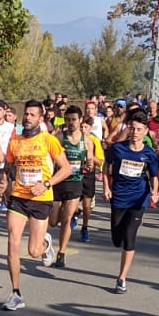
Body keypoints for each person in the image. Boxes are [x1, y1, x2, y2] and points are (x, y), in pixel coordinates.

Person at [0, 99, 72, 311]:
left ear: (40, 119)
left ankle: (45, 245)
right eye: (26, 114)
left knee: (33, 251)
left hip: (41, 198)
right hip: (19, 197)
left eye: (32, 115)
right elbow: (8, 168)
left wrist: (46, 184)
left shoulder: (49, 140)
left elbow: (66, 169)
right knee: (12, 243)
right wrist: (4, 183)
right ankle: (16, 293)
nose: (28, 118)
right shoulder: (15, 141)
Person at [104, 108, 159, 293]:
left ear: (146, 131)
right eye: (132, 128)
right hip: (119, 196)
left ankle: (121, 278)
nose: (135, 132)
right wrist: (106, 187)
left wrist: (155, 191)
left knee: (129, 238)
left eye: (139, 129)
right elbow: (106, 166)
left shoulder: (149, 154)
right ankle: (129, 225)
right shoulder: (118, 148)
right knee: (117, 239)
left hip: (139, 197)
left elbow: (154, 175)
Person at [51, 104, 99, 266]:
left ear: (80, 120)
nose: (71, 123)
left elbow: (90, 161)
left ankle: (61, 253)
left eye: (73, 120)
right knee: (53, 222)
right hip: (58, 182)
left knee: (66, 219)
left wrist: (89, 165)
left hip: (75, 183)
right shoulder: (59, 138)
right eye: (68, 120)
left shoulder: (87, 141)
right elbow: (50, 157)